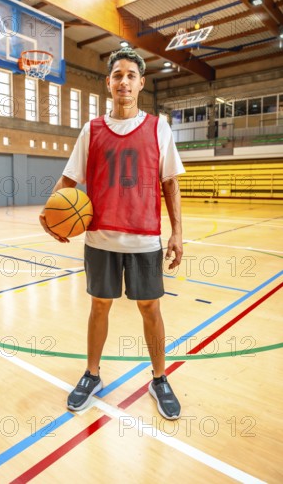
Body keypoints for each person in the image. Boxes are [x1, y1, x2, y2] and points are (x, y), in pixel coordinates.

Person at [40, 47, 185, 420]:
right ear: (108, 83)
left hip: (144, 238)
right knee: (98, 307)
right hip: (100, 238)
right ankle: (92, 374)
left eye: (131, 75)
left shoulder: (159, 128)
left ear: (141, 83)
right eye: (117, 75)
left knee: (150, 308)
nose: (124, 81)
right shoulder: (92, 130)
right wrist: (49, 210)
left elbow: (170, 182)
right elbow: (70, 178)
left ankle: (159, 378)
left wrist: (177, 232)